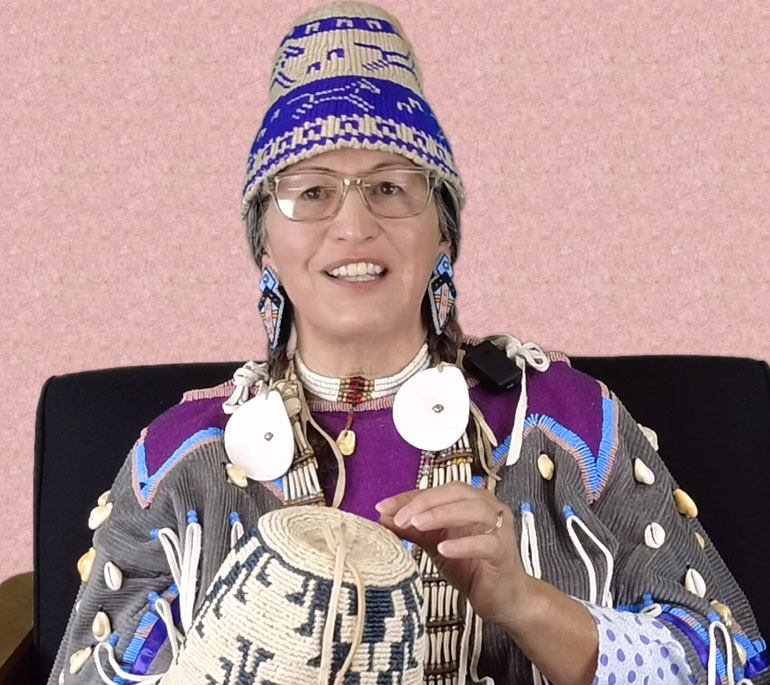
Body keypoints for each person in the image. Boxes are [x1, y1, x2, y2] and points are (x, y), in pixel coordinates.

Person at [48, 2, 768, 684]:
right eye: (311, 191)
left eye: (392, 188)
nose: (354, 225)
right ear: (264, 241)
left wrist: (524, 602)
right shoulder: (181, 462)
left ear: (443, 233)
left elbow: (727, 660)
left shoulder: (566, 427)